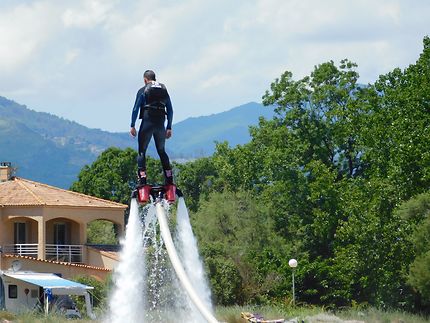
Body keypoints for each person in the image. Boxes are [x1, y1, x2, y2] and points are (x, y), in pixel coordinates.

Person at [130, 70, 174, 186]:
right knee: (161, 151)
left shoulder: (143, 90)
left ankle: (143, 179)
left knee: (141, 151)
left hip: (147, 124)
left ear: (145, 80)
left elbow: (135, 109)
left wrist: (132, 125)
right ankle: (169, 178)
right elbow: (170, 109)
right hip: (160, 125)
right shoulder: (164, 89)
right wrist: (169, 127)